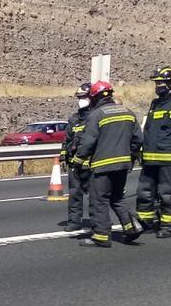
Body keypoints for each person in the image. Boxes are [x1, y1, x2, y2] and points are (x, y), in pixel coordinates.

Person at [73, 81, 142, 247]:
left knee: (99, 200)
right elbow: (138, 139)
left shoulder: (96, 115)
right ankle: (131, 227)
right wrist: (130, 156)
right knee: (117, 197)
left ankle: (101, 236)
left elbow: (89, 142)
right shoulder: (128, 113)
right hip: (123, 165)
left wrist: (78, 160)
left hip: (103, 165)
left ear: (95, 97)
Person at [136, 66, 171, 238]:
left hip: (168, 158)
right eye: (156, 82)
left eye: (160, 82)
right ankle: (147, 222)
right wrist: (141, 151)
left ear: (170, 83)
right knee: (145, 192)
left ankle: (168, 225)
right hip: (150, 157)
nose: (157, 85)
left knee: (166, 192)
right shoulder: (155, 103)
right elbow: (149, 129)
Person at [61, 81, 94, 233]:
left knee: (95, 196)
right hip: (75, 164)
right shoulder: (74, 119)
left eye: (84, 97)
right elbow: (66, 140)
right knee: (75, 194)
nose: (81, 100)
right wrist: (64, 157)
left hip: (92, 165)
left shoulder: (95, 118)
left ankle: (96, 222)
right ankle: (74, 221)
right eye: (79, 97)